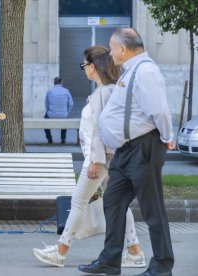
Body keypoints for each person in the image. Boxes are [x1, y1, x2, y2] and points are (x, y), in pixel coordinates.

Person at [33, 46, 146, 269]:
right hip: (105, 158)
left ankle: (61, 250)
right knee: (118, 204)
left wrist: (94, 161)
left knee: (78, 201)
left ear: (93, 67)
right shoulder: (108, 90)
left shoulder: (105, 92)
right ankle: (134, 251)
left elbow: (100, 130)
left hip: (99, 159)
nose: (84, 69)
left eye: (84, 65)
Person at [78, 28, 174, 276]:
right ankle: (110, 261)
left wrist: (167, 137)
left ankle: (162, 266)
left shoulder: (146, 71)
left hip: (144, 147)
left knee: (152, 209)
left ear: (122, 49)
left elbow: (160, 110)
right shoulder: (129, 71)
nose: (110, 53)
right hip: (125, 150)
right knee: (112, 200)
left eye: (112, 48)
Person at [44, 76, 74, 144]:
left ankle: (49, 139)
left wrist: (49, 111)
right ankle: (63, 139)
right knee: (65, 120)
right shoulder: (66, 91)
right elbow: (71, 104)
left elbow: (46, 104)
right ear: (61, 82)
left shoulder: (49, 91)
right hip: (63, 115)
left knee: (45, 120)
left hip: (51, 114)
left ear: (54, 83)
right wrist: (67, 112)